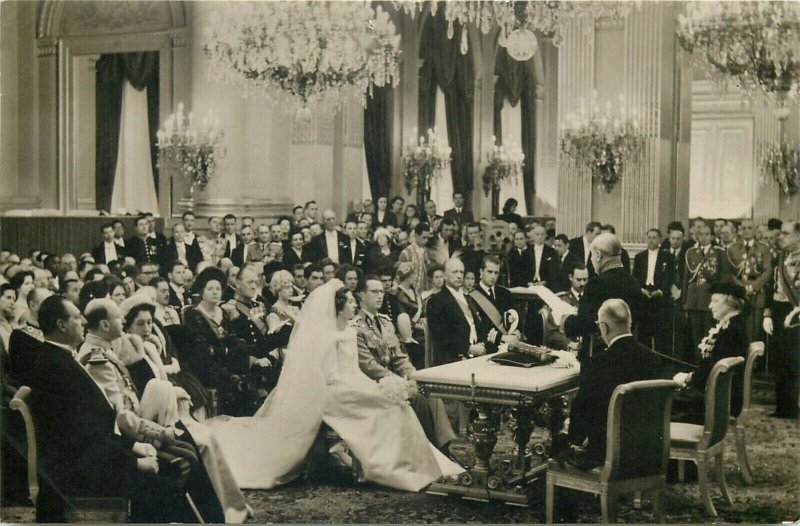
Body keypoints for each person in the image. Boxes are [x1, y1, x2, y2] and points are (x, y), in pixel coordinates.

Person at [205, 279, 463, 490]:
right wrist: (367, 390)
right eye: (350, 302)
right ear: (339, 307)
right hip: (330, 391)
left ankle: (408, 464)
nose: (354, 305)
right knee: (387, 406)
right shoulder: (326, 336)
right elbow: (328, 375)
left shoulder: (350, 331)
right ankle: (385, 469)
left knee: (394, 404)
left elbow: (355, 370)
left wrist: (379, 385)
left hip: (351, 384)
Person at [554, 299, 665, 470]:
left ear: (604, 328)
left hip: (607, 455)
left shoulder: (597, 364)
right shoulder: (654, 359)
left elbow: (582, 411)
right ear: (630, 323)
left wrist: (570, 438)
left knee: (558, 444)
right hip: (648, 453)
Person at [354, 276, 457, 454]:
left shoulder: (386, 323)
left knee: (429, 390)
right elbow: (368, 366)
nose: (380, 296)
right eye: (374, 292)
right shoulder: (356, 328)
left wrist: (414, 375)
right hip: (373, 384)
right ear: (362, 296)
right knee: (417, 396)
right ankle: (428, 451)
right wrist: (400, 382)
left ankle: (444, 449)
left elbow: (399, 357)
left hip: (394, 382)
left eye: (381, 292)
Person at [183, 267, 270, 416]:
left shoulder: (222, 312)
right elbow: (203, 348)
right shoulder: (194, 314)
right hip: (207, 364)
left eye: (218, 288)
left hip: (227, 361)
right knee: (239, 385)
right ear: (201, 291)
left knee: (258, 374)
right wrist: (231, 352)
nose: (215, 292)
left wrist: (238, 352)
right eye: (210, 289)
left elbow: (233, 340)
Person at [672, 283, 749, 424]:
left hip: (718, 401)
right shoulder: (732, 325)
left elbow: (714, 372)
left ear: (730, 302)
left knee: (658, 400)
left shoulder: (730, 332)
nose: (710, 306)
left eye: (715, 301)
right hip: (721, 396)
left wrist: (688, 378)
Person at [562, 233, 645, 362]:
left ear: (598, 255)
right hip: (630, 356)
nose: (591, 261)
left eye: (592, 256)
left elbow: (586, 323)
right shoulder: (633, 282)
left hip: (599, 358)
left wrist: (567, 321)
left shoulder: (596, 284)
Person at [762, 220, 800, 419]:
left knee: (794, 362)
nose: (780, 237)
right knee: (780, 359)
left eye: (785, 233)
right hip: (778, 311)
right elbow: (771, 286)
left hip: (796, 313)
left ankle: (793, 406)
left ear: (798, 236)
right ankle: (782, 407)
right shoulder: (781, 256)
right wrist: (767, 313)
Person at [426, 258, 492, 365]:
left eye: (461, 272)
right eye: (455, 272)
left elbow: (480, 327)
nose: (459, 275)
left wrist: (482, 345)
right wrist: (468, 348)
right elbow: (441, 336)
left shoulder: (469, 298)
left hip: (478, 356)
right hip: (452, 359)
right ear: (445, 275)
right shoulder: (436, 301)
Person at [682, 224, 733, 360]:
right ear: (697, 236)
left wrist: (720, 299)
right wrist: (685, 301)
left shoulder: (719, 253)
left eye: (706, 234)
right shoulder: (691, 252)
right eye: (700, 234)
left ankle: (709, 366)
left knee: (710, 336)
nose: (703, 237)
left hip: (711, 301)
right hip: (694, 301)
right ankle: (698, 366)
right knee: (696, 338)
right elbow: (686, 279)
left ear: (711, 236)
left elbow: (724, 277)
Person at [727, 218, 772, 342]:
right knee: (736, 335)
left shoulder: (763, 249)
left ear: (755, 230)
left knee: (753, 335)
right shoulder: (733, 249)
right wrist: (741, 288)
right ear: (739, 230)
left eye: (749, 228)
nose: (746, 231)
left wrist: (752, 287)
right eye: (743, 228)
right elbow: (729, 272)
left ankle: (753, 362)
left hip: (756, 296)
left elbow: (767, 272)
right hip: (738, 297)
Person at [632, 229, 675, 351]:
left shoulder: (667, 257)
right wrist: (641, 289)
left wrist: (660, 291)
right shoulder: (639, 257)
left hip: (659, 296)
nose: (651, 240)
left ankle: (659, 360)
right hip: (644, 295)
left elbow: (669, 278)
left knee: (660, 330)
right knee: (643, 331)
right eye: (649, 237)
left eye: (654, 237)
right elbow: (635, 277)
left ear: (660, 239)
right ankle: (644, 359)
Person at [469, 255, 520, 352]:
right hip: (487, 347)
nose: (493, 276)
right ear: (481, 271)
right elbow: (480, 328)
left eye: (496, 273)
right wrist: (502, 338)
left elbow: (516, 317)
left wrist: (516, 334)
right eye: (489, 272)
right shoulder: (471, 297)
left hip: (510, 345)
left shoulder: (505, 293)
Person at [544, 265, 588, 352]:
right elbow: (551, 333)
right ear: (570, 277)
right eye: (579, 280)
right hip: (567, 350)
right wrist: (569, 343)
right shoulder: (560, 300)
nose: (582, 283)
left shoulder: (591, 300)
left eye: (585, 279)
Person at [398, 223, 433, 292]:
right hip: (409, 292)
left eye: (428, 238)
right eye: (424, 237)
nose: (426, 240)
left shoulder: (427, 252)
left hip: (424, 292)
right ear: (416, 236)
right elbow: (400, 276)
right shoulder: (406, 253)